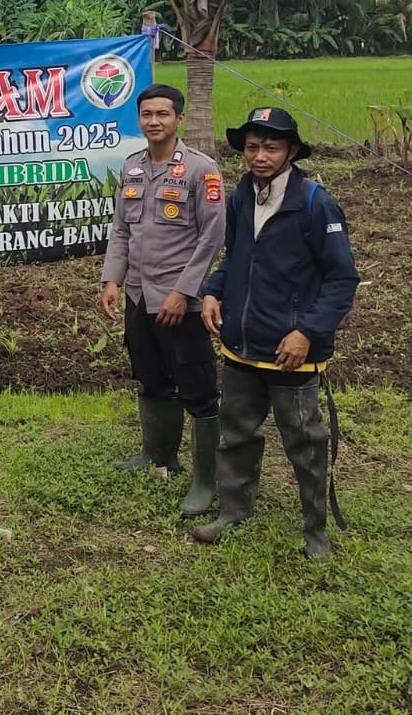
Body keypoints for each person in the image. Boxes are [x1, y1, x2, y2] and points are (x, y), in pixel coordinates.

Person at [193, 108, 358, 559]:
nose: (259, 156)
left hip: (292, 351)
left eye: (271, 147)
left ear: (291, 151)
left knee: (305, 442)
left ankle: (315, 531)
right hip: (242, 345)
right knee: (236, 434)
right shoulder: (242, 196)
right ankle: (233, 511)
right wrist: (213, 292)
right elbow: (235, 258)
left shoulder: (315, 203)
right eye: (252, 147)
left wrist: (307, 331)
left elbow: (342, 278)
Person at [100, 84, 226, 516]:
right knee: (151, 378)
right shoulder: (132, 167)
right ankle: (158, 457)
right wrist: (112, 279)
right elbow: (121, 230)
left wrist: (184, 291)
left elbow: (212, 237)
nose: (154, 121)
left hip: (179, 302)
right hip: (138, 295)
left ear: (179, 119)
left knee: (198, 390)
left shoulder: (200, 170)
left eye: (163, 114)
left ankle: (206, 481)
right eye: (147, 114)